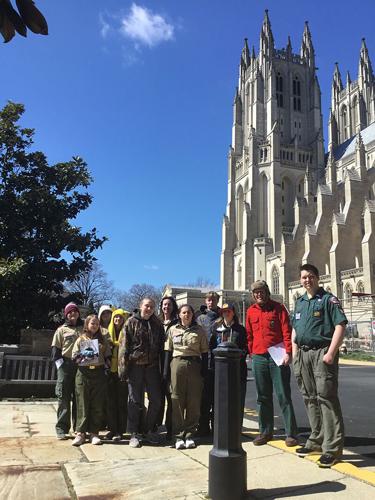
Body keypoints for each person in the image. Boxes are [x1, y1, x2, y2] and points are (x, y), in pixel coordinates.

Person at [292, 264, 347, 468]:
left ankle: (331, 449)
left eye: (311, 276)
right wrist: (295, 353)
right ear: (301, 280)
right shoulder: (299, 302)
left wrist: (331, 353)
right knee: (309, 397)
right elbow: (295, 330)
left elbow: (340, 325)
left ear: (318, 278)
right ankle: (316, 440)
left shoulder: (327, 300)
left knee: (326, 398)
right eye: (304, 277)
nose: (307, 280)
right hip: (303, 354)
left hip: (322, 352)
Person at [246, 280, 298, 447]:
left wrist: (288, 352)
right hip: (259, 357)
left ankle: (291, 434)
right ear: (253, 295)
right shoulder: (250, 312)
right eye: (256, 292)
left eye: (261, 291)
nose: (259, 294)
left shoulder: (278, 308)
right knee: (263, 397)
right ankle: (265, 432)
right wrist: (252, 352)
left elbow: (286, 332)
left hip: (278, 357)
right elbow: (249, 335)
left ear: (267, 292)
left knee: (283, 395)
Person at [118, 297, 164, 448]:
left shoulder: (157, 324)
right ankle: (134, 433)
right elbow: (123, 348)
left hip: (152, 368)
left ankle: (148, 429)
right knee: (134, 401)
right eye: (146, 306)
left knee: (156, 400)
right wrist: (123, 369)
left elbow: (162, 347)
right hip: (135, 367)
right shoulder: (130, 322)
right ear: (140, 306)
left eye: (151, 306)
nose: (149, 309)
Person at [164, 304, 209, 450]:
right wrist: (165, 371)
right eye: (184, 312)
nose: (187, 315)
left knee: (193, 401)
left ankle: (190, 435)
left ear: (192, 314)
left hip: (195, 364)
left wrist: (204, 370)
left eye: (189, 312)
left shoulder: (199, 331)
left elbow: (204, 352)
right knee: (177, 399)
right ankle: (178, 435)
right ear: (179, 314)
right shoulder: (173, 329)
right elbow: (168, 350)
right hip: (177, 364)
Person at [71, 314, 112, 446]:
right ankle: (80, 433)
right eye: (92, 323)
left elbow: (108, 357)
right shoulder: (80, 339)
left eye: (96, 324)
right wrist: (85, 355)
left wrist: (106, 365)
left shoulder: (102, 340)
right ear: (87, 325)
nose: (94, 326)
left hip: (98, 373)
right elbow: (74, 358)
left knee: (97, 404)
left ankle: (94, 433)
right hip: (83, 373)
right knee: (82, 402)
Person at [210, 303, 248, 423]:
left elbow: (245, 348)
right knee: (220, 400)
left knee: (237, 400)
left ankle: (237, 426)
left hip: (237, 371)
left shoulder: (240, 330)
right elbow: (212, 348)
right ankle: (219, 425)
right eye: (224, 311)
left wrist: (237, 355)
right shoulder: (216, 329)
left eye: (229, 311)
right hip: (220, 371)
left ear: (233, 313)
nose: (226, 313)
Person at [51, 302, 82, 440]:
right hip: (65, 364)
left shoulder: (83, 329)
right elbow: (55, 351)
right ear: (66, 314)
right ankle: (62, 428)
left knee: (79, 397)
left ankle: (78, 428)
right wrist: (61, 367)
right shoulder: (61, 330)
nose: (73, 314)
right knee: (63, 397)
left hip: (81, 365)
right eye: (70, 312)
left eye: (75, 311)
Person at [196, 291, 221, 436]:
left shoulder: (222, 316)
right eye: (208, 300)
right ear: (206, 301)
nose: (211, 302)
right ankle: (203, 426)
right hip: (205, 362)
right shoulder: (200, 319)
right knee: (204, 397)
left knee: (218, 398)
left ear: (217, 301)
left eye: (213, 300)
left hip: (219, 362)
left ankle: (217, 426)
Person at [106, 308, 130, 441]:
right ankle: (112, 429)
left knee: (121, 401)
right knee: (110, 402)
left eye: (120, 318)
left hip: (122, 370)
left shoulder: (126, 333)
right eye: (116, 317)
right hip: (109, 371)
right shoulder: (107, 334)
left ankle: (120, 430)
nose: (118, 320)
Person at [157, 296, 179, 439]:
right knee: (157, 398)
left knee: (171, 397)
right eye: (164, 305)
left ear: (173, 307)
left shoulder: (178, 323)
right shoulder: (156, 322)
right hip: (156, 362)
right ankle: (156, 426)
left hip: (171, 362)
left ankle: (171, 428)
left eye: (169, 305)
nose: (167, 307)